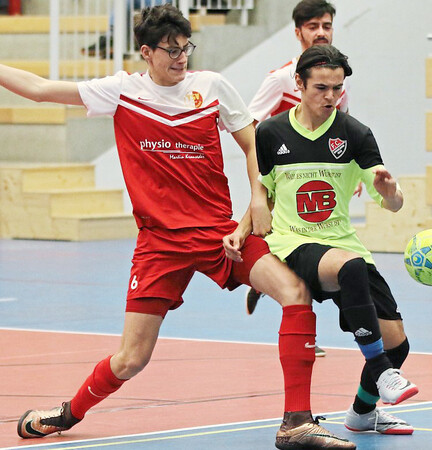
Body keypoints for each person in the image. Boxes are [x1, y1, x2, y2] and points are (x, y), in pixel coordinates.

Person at [6, 5, 354, 449]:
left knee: (295, 293)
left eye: (185, 47)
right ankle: (67, 414)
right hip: (159, 244)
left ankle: (296, 423)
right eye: (170, 50)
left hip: (219, 234)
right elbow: (38, 89)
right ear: (146, 53)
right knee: (131, 359)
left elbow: (253, 145)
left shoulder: (210, 87)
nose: (180, 57)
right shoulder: (120, 92)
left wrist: (257, 198)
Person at [224, 44, 417, 435]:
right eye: (321, 88)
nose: (331, 97)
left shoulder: (355, 134)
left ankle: (362, 414)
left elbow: (392, 204)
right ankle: (381, 373)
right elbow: (264, 194)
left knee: (398, 345)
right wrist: (242, 230)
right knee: (350, 268)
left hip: (343, 244)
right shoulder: (272, 132)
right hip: (293, 245)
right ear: (298, 83)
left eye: (337, 88)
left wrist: (391, 190)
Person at [244, 1, 355, 361]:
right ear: (298, 33)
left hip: (318, 183)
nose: (320, 31)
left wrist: (352, 170)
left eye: (326, 25)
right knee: (298, 251)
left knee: (320, 250)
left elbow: (344, 128)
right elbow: (249, 124)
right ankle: (268, 285)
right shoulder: (281, 79)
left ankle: (275, 289)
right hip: (282, 183)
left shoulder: (338, 80)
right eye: (312, 26)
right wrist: (262, 181)